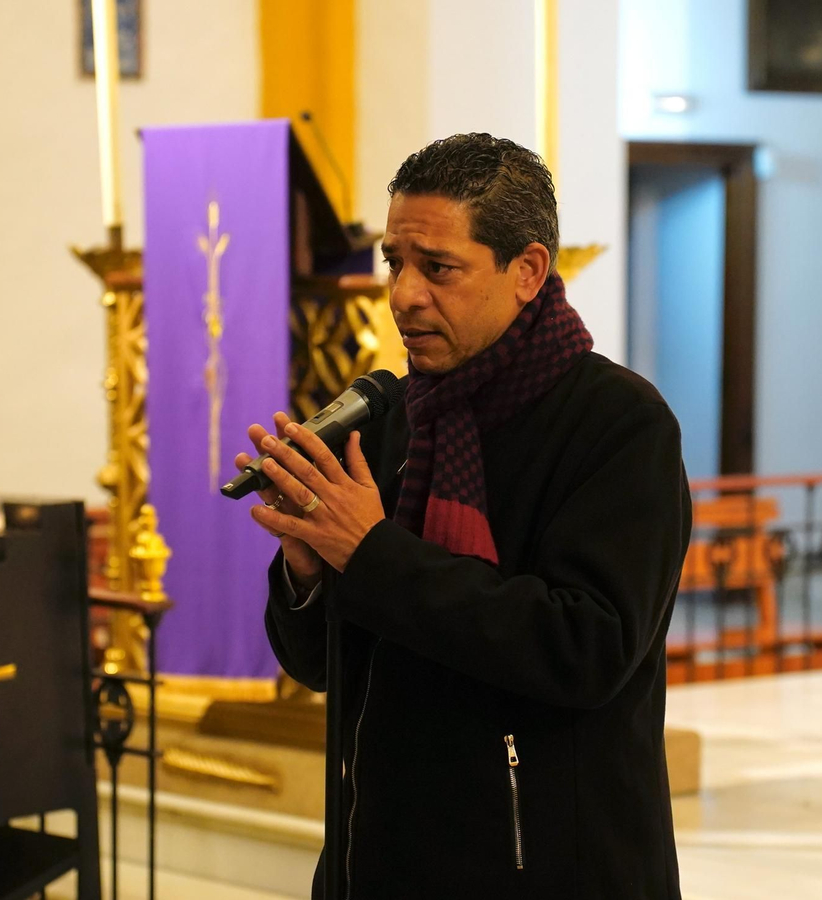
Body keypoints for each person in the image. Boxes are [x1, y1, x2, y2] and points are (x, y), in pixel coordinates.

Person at [235, 133, 690, 899]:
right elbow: (324, 668)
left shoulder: (618, 423)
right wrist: (311, 571)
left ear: (528, 271)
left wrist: (372, 555)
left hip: (548, 864)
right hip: (381, 860)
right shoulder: (391, 420)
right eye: (394, 263)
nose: (404, 295)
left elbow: (585, 650)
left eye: (437, 268)